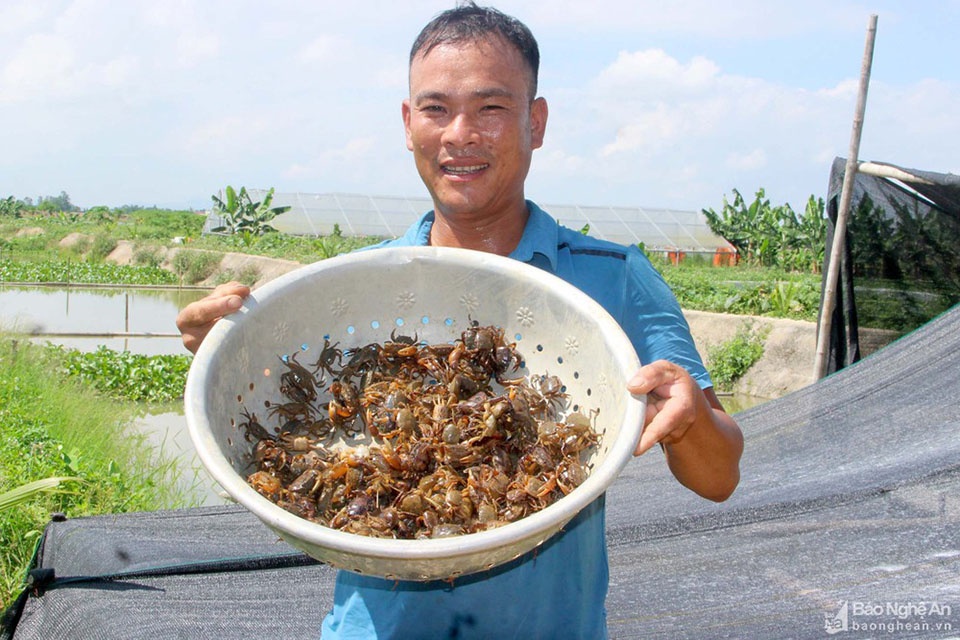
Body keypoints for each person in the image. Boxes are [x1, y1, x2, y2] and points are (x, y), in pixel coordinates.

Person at [177, 3, 743, 638]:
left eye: (491, 109)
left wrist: (689, 418)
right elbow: (272, 411)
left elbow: (719, 478)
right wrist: (225, 343)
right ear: (407, 122)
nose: (460, 133)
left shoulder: (614, 278)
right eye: (436, 108)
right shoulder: (361, 285)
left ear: (536, 120)